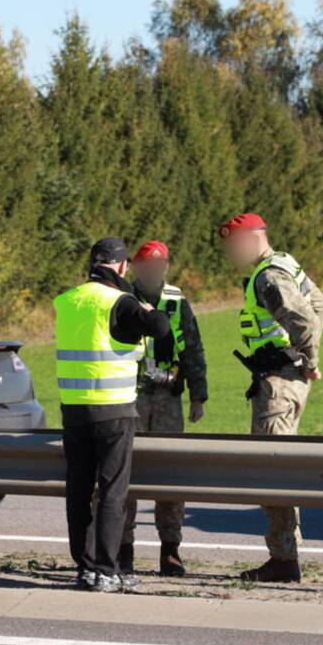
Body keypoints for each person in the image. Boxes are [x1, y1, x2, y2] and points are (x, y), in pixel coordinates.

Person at [54, 237, 171, 593]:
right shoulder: (120, 302)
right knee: (111, 492)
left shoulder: (68, 300)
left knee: (78, 489)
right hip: (113, 411)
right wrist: (150, 312)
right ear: (121, 266)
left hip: (74, 409)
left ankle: (86, 569)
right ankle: (108, 570)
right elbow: (161, 328)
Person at [218, 213, 323, 583]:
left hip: (277, 384)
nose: (230, 252)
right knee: (277, 467)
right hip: (285, 379)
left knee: (271, 469)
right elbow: (321, 304)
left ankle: (284, 560)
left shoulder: (268, 276)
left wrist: (308, 360)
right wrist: (305, 362)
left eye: (233, 244)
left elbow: (305, 321)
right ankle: (286, 555)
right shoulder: (285, 263)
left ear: (251, 239)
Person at [117, 240, 207, 577]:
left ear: (165, 267)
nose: (153, 271)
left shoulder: (176, 301)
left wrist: (198, 396)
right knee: (125, 475)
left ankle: (171, 550)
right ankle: (123, 550)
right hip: (131, 397)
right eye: (146, 265)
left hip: (169, 397)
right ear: (136, 267)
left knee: (170, 477)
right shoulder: (122, 299)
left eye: (159, 265)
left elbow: (194, 349)